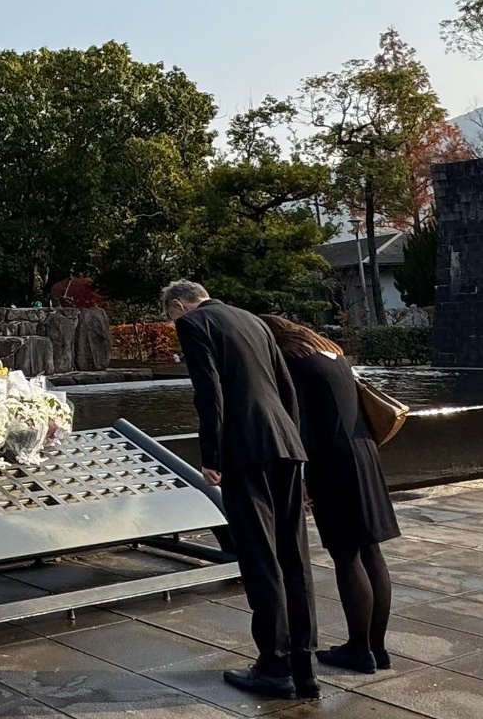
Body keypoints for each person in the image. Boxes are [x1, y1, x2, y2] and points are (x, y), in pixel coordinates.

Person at [161, 280, 318, 700]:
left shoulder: (195, 324)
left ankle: (274, 666)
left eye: (172, 317)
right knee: (294, 557)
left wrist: (211, 455)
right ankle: (305, 667)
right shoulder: (254, 320)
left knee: (260, 557)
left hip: (244, 450)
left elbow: (208, 392)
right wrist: (295, 443)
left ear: (179, 306)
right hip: (285, 444)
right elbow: (286, 388)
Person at [259, 314, 400, 674]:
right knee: (371, 550)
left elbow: (300, 423)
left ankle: (358, 649)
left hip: (333, 461)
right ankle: (377, 648)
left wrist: (300, 476)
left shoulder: (292, 362)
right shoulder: (331, 353)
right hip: (364, 453)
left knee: (346, 555)